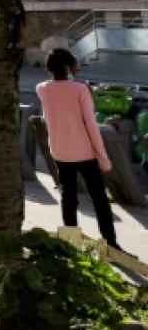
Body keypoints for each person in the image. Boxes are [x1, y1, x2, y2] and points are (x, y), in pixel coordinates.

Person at [36, 48, 120, 250]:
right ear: (67, 67)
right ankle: (111, 244)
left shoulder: (42, 89)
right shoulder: (80, 90)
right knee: (99, 200)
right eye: (74, 64)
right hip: (85, 154)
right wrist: (104, 159)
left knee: (69, 198)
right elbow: (91, 127)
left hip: (61, 153)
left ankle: (71, 244)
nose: (77, 68)